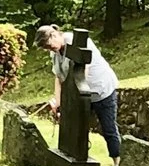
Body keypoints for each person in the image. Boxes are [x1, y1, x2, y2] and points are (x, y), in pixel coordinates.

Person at [37, 25, 120, 159]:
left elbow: (82, 74)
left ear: (54, 35)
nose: (49, 49)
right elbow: (59, 78)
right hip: (80, 93)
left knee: (108, 128)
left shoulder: (77, 43)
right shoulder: (55, 51)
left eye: (48, 45)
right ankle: (77, 156)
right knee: (75, 126)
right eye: (46, 48)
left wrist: (74, 98)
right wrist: (59, 102)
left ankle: (117, 162)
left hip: (101, 90)